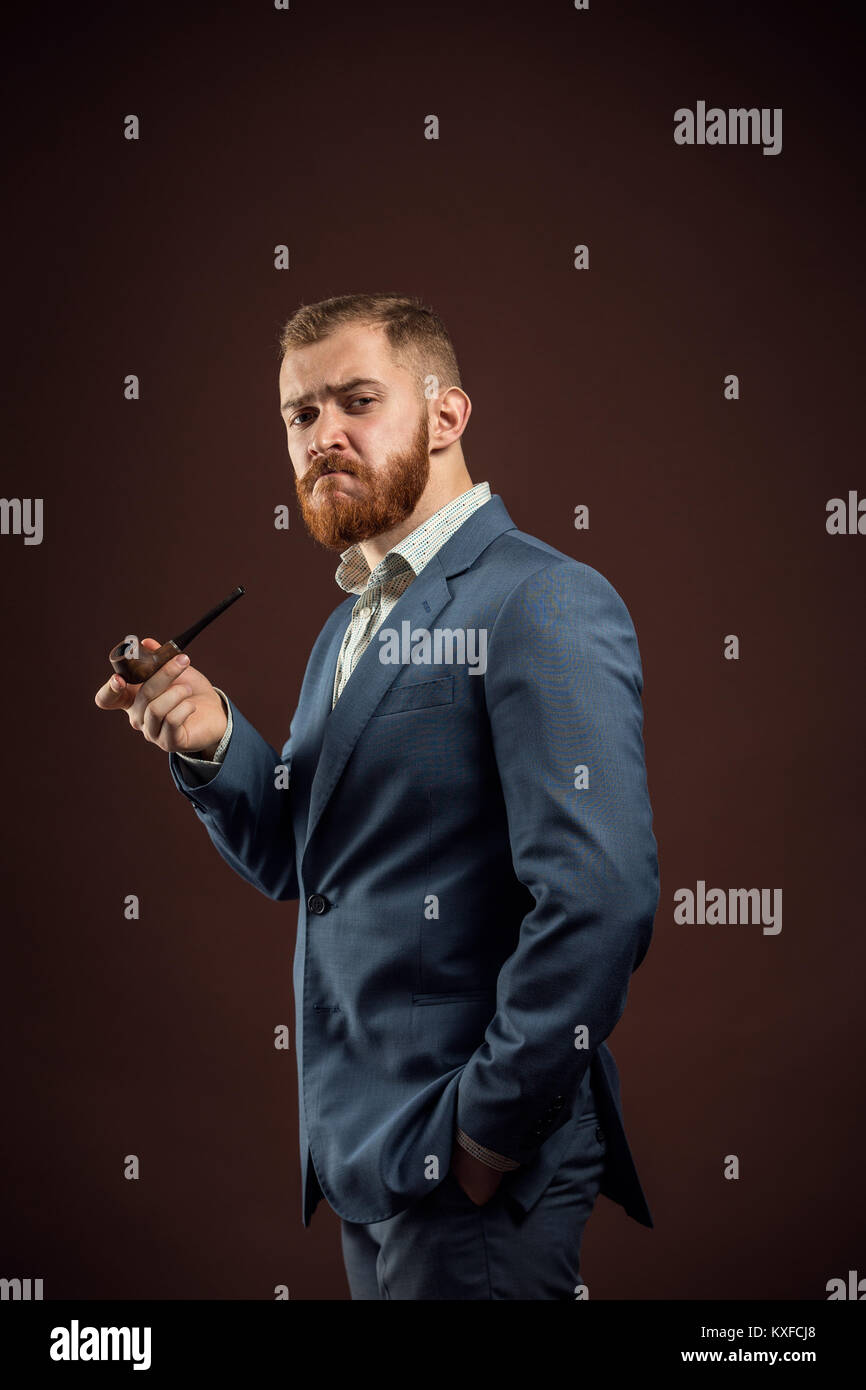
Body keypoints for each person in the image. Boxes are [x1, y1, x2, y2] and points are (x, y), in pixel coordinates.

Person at [94, 292, 660, 1300]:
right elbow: (310, 867)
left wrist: (482, 1135)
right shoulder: (351, 623)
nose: (323, 436)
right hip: (367, 1157)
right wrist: (211, 735)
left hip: (471, 1156)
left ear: (447, 415)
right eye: (300, 415)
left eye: (356, 399)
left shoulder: (540, 598)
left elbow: (599, 900)